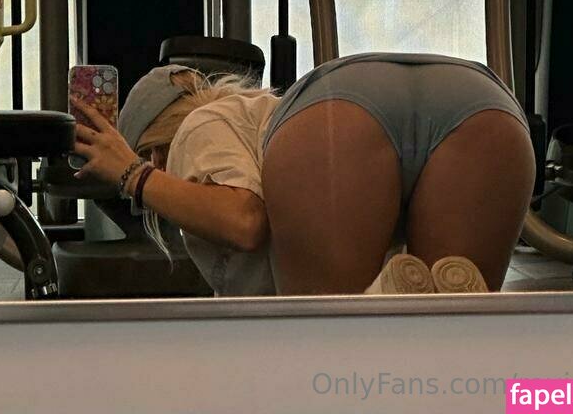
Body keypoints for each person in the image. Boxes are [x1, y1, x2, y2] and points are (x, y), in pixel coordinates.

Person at [72, 53, 535, 297]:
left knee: (330, 357)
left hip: (344, 110)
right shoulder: (262, 116)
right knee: (451, 344)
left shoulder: (199, 125)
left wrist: (134, 176)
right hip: (481, 99)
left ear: (155, 150)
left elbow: (243, 221)